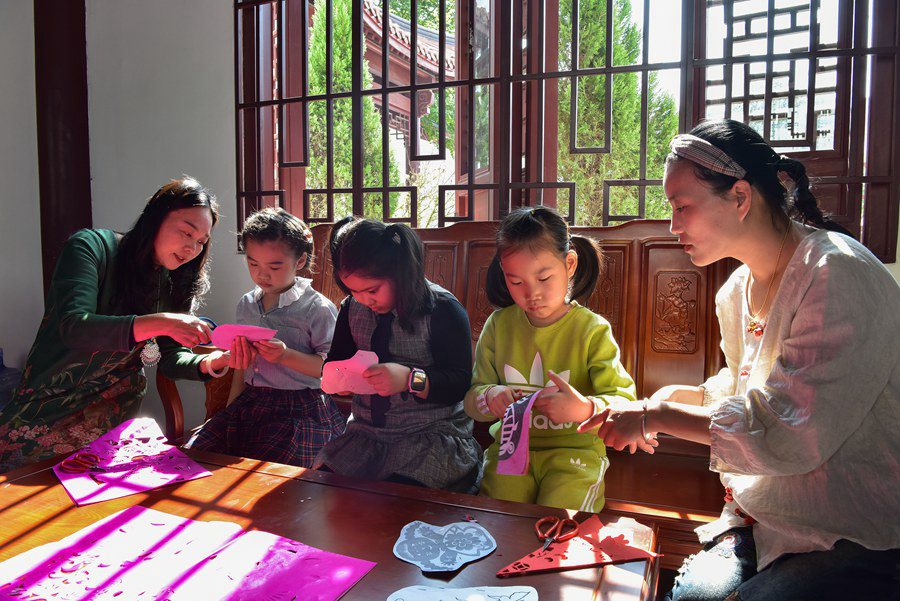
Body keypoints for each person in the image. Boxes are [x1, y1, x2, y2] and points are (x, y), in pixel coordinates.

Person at [573, 119, 900, 599]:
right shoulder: (737, 291)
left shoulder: (834, 272)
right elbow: (747, 385)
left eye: (683, 206)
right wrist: (677, 397)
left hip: (853, 526)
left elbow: (793, 426)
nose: (674, 225)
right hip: (764, 516)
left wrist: (655, 414)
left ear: (741, 197)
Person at [0, 177, 251, 473]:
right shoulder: (91, 247)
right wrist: (160, 322)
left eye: (201, 242)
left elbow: (168, 359)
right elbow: (73, 326)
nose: (192, 248)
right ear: (154, 219)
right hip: (48, 407)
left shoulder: (173, 282)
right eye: (186, 232)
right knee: (22, 502)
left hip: (113, 415)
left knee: (104, 505)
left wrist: (210, 362)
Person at [464, 206, 636, 512]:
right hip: (510, 451)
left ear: (569, 264)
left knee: (558, 525)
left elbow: (624, 401)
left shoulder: (591, 330)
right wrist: (490, 396)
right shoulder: (499, 325)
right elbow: (471, 401)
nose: (532, 294)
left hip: (576, 453)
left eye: (544, 278)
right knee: (498, 518)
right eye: (516, 282)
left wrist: (584, 408)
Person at [312, 216, 482, 493]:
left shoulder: (441, 309)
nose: (365, 300)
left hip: (431, 435)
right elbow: (337, 360)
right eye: (354, 291)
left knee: (399, 497)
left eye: (372, 290)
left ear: (399, 273)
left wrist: (408, 379)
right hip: (366, 434)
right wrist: (337, 378)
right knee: (327, 487)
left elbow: (459, 383)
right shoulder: (351, 308)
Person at [186, 208, 345, 467]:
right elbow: (242, 365)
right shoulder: (247, 304)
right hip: (251, 401)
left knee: (271, 473)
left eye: (275, 266)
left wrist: (285, 355)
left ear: (300, 261)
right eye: (253, 263)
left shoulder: (317, 308)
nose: (262, 274)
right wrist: (229, 411)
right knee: (197, 455)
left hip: (299, 409)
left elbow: (330, 369)